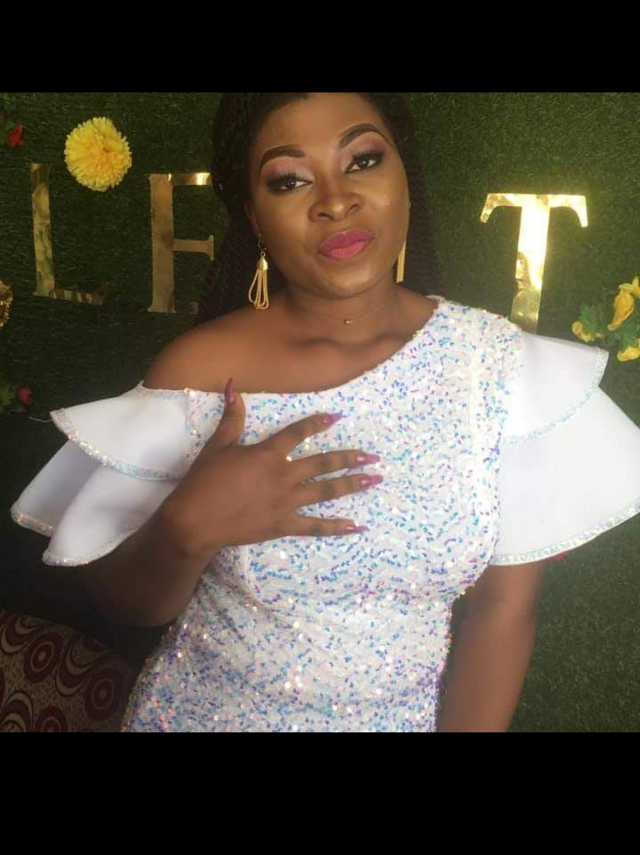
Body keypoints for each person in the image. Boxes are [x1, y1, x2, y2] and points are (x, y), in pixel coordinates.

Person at [10, 93, 640, 732]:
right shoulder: (200, 372)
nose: (335, 201)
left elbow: (503, 611)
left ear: (404, 178)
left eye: (362, 161)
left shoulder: (496, 366)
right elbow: (126, 606)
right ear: (254, 216)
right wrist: (187, 527)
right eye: (290, 180)